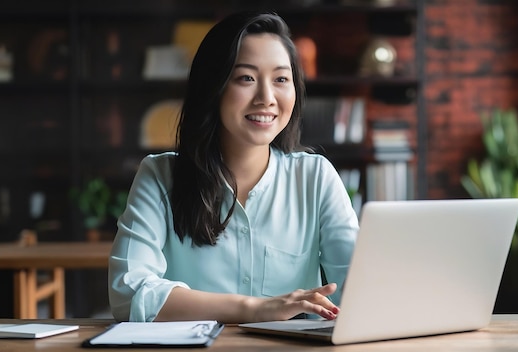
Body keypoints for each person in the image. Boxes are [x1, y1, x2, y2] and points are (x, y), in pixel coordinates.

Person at [108, 10, 359, 324]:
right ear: (213, 87)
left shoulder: (315, 178)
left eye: (281, 79)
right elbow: (128, 291)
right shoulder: (160, 177)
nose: (266, 98)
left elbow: (358, 291)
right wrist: (255, 309)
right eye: (246, 78)